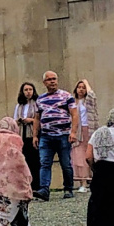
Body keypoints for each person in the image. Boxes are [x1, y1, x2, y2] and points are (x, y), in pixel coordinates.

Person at [33, 71, 78, 200]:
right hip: (46, 136)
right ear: (44, 82)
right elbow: (37, 118)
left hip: (63, 135)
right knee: (45, 163)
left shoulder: (67, 96)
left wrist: (73, 132)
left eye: (54, 79)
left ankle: (68, 188)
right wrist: (35, 136)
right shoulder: (40, 99)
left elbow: (74, 114)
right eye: (49, 79)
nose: (52, 81)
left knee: (65, 163)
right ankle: (44, 190)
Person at [14, 80, 41, 189]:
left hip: (33, 133)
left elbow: (39, 119)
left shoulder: (37, 104)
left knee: (35, 160)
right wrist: (20, 120)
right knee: (24, 160)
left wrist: (30, 120)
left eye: (30, 89)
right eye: (26, 90)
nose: (28, 92)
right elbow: (14, 119)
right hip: (22, 133)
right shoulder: (19, 106)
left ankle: (36, 185)